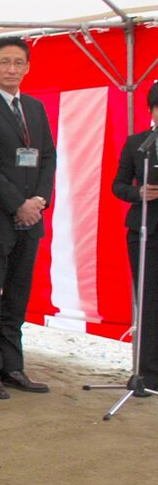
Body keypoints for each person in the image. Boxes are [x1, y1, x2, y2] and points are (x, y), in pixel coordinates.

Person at [0, 37, 56, 400]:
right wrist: (18, 203)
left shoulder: (34, 107)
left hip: (31, 215)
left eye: (19, 63)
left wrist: (38, 200)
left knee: (18, 293)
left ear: (28, 67)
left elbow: (47, 156)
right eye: (5, 62)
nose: (12, 69)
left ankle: (12, 365)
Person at [111, 83, 158, 392]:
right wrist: (137, 192)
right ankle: (148, 372)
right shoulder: (138, 143)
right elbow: (118, 185)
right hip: (145, 230)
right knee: (150, 301)